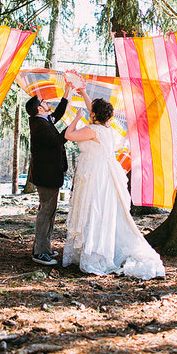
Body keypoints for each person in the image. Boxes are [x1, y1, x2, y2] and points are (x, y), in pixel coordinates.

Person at [62, 88, 165, 278]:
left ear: (94, 114)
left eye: (91, 111)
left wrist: (76, 118)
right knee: (98, 209)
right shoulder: (106, 130)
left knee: (93, 208)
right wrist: (83, 93)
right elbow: (92, 109)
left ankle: (94, 253)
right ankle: (93, 249)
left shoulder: (92, 130)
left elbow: (69, 135)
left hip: (94, 175)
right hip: (102, 173)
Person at [25, 82, 73, 266]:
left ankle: (44, 247)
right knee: (45, 213)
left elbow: (58, 114)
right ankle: (39, 253)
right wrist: (74, 124)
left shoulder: (44, 120)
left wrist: (67, 92)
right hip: (46, 177)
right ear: (39, 109)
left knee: (49, 212)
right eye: (44, 102)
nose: (47, 103)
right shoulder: (39, 125)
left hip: (49, 175)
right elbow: (58, 140)